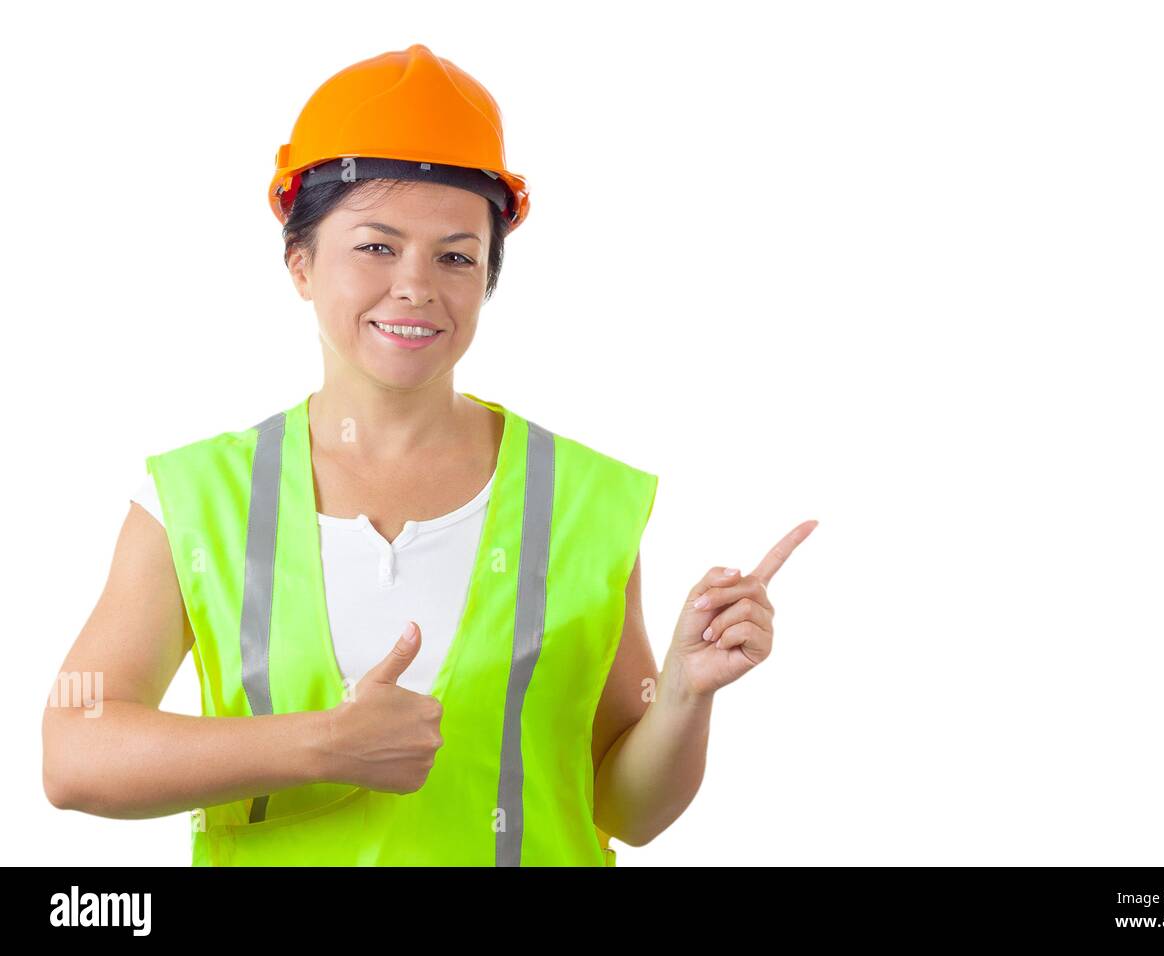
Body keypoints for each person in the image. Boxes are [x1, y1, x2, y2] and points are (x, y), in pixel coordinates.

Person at [41, 43, 817, 866]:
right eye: (376, 246)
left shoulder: (584, 500)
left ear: (486, 278)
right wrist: (320, 747)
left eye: (456, 256)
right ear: (300, 263)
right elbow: (73, 753)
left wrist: (685, 696)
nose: (416, 285)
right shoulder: (194, 500)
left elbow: (627, 807)